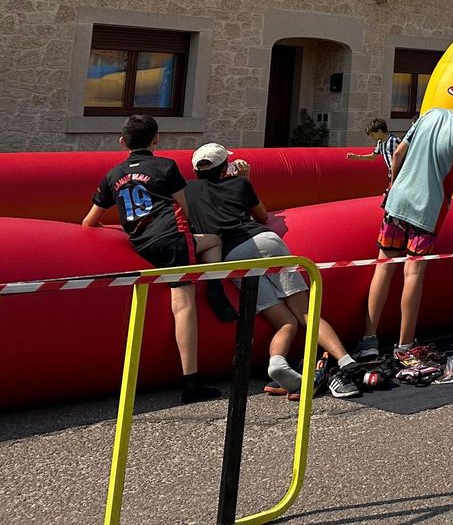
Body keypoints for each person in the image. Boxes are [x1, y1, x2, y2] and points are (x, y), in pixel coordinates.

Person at [185, 143, 363, 398]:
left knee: (284, 321)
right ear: (226, 166)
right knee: (305, 311)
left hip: (232, 258)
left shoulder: (188, 191)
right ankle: (346, 361)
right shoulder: (240, 184)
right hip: (262, 242)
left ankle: (278, 362)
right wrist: (245, 180)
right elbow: (262, 216)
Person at [83, 115, 226, 403]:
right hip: (172, 238)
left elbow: (89, 221)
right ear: (156, 139)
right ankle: (191, 381)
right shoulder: (166, 166)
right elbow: (185, 209)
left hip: (142, 243)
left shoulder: (112, 175)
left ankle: (212, 279)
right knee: (184, 303)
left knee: (208, 244)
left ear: (122, 142)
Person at [356, 78, 453, 373]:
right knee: (413, 273)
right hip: (427, 211)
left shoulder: (430, 114)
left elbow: (397, 153)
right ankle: (405, 345)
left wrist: (393, 185)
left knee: (384, 266)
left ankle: (368, 339)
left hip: (397, 202)